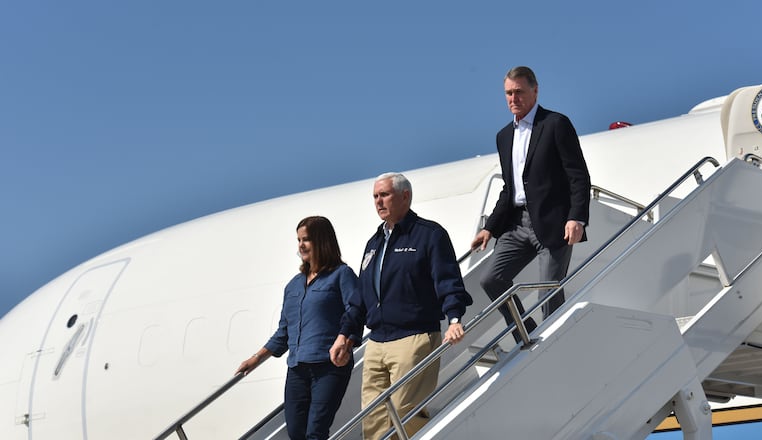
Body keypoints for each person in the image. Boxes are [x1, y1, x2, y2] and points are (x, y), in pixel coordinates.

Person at [330, 172, 473, 440]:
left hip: (414, 337)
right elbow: (361, 296)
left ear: (405, 196)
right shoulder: (374, 244)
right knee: (372, 418)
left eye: (384, 195)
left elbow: (448, 281)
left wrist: (454, 319)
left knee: (406, 413)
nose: (378, 201)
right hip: (376, 343)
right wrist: (345, 335)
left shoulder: (429, 235)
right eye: (375, 196)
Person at [471, 66, 591, 343]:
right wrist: (490, 227)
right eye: (508, 93)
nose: (513, 98)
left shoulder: (556, 124)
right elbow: (509, 188)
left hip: (553, 223)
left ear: (535, 91)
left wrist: (577, 218)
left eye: (519, 92)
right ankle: (526, 329)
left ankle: (553, 344)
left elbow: (578, 175)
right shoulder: (504, 136)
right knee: (491, 279)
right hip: (516, 224)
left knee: (548, 292)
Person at [236, 216, 359, 440]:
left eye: (307, 239)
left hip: (329, 367)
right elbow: (284, 332)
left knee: (316, 432)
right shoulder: (293, 285)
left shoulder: (341, 275)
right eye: (299, 240)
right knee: (296, 432)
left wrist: (346, 341)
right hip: (297, 370)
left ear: (323, 241)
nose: (301, 245)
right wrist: (256, 359)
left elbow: (357, 310)